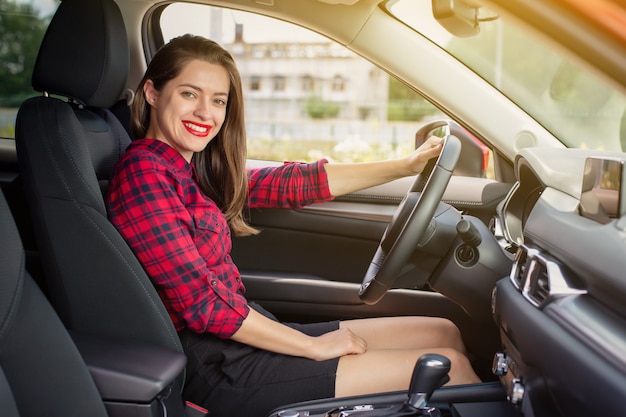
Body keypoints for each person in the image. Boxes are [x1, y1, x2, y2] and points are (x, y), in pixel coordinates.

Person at [107, 34, 480, 417]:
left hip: (239, 339)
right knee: (450, 367)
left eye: (218, 100)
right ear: (152, 93)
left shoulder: (189, 171)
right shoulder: (144, 173)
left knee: (444, 332)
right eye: (190, 94)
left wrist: (404, 165)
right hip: (217, 368)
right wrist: (312, 347)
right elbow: (202, 303)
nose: (206, 112)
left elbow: (291, 183)